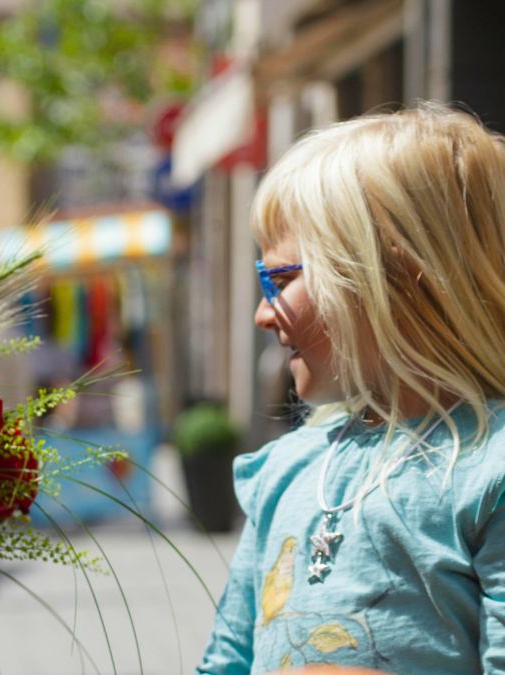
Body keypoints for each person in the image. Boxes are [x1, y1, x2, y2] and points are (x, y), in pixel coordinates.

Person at [197, 103, 505, 673]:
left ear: (392, 278)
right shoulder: (285, 469)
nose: (265, 315)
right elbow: (226, 662)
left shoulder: (489, 472)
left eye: (282, 279)